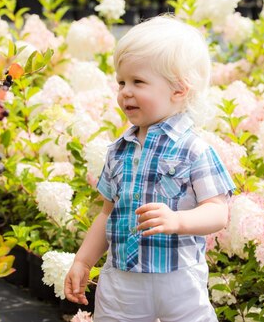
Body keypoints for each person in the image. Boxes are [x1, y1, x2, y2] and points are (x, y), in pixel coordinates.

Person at [64, 16, 235, 322]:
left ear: (179, 90)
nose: (125, 91)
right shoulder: (119, 151)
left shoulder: (195, 149)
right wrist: (83, 260)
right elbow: (107, 213)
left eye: (138, 82)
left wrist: (178, 220)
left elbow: (218, 212)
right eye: (121, 82)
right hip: (122, 279)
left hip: (179, 279)